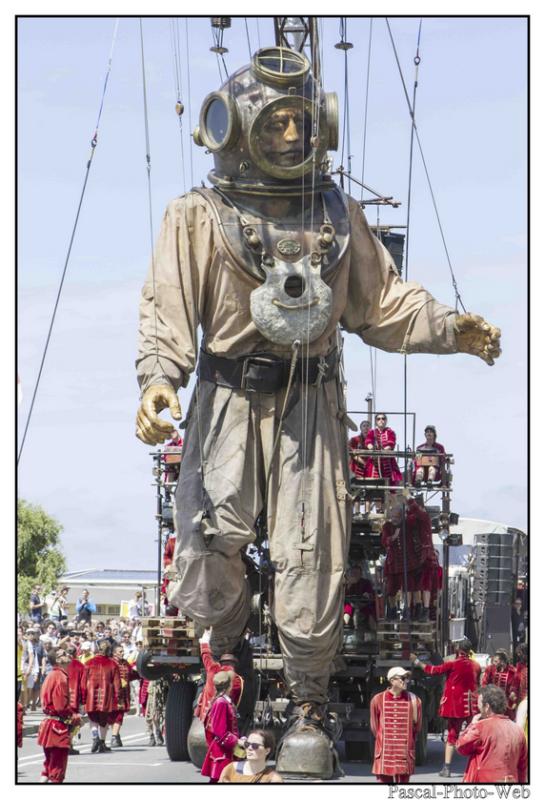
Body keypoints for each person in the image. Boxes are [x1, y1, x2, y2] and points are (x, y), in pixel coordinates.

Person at [134, 45, 500, 775]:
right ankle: (225, 657)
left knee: (313, 554)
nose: (292, 136)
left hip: (311, 399)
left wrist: (449, 328)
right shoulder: (196, 216)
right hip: (226, 396)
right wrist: (157, 380)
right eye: (276, 123)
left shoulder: (338, 216)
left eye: (302, 122)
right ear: (237, 127)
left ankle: (308, 704)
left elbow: (382, 303)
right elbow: (166, 310)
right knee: (208, 537)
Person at [411, 637, 481, 778]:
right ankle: (477, 767)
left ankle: (447, 768)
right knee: (475, 735)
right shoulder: (476, 666)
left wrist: (416, 661)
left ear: (458, 649)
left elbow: (432, 670)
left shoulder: (452, 664)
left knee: (452, 736)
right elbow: (477, 684)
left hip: (455, 707)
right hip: (471, 706)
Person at [456, 685, 527, 783]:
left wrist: (472, 725)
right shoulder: (518, 730)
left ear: (487, 707)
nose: (478, 708)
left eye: (479, 704)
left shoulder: (480, 727)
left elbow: (461, 746)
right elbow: (522, 767)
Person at [370, 666, 422, 784]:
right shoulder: (377, 699)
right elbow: (375, 727)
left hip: (404, 753)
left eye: (407, 678)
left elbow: (417, 727)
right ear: (392, 680)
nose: (405, 681)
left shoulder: (415, 700)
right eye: (402, 678)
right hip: (384, 753)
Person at [37, 648, 80, 784]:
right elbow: (61, 706)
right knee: (57, 768)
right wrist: (74, 716)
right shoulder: (60, 677)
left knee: (48, 766)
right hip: (57, 727)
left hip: (49, 724)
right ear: (58, 660)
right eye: (64, 654)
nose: (68, 655)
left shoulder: (51, 674)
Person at [381, 499, 427, 620]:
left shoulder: (408, 524)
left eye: (396, 516)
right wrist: (393, 537)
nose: (394, 519)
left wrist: (411, 505)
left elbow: (417, 520)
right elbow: (385, 541)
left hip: (408, 561)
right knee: (391, 588)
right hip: (393, 562)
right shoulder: (387, 526)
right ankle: (392, 610)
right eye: (392, 516)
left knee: (410, 587)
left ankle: (409, 609)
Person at [201, 671, 244, 784]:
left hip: (226, 750)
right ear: (229, 685)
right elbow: (220, 733)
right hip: (222, 753)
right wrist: (237, 741)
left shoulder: (225, 701)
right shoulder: (221, 703)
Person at [195, 628, 243, 722]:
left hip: (206, 716)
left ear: (221, 663)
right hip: (222, 717)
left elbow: (206, 655)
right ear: (234, 664)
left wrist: (205, 640)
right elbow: (237, 700)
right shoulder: (237, 680)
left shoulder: (213, 669)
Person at [84, 640, 121, 753]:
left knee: (93, 717)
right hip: (106, 695)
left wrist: (82, 696)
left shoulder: (89, 663)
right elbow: (117, 683)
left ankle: (95, 737)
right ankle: (102, 742)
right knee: (104, 720)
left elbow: (83, 681)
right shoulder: (113, 664)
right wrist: (118, 697)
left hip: (91, 694)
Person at [110, 644, 139, 747]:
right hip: (113, 693)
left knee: (119, 715)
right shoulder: (111, 663)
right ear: (114, 653)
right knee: (113, 716)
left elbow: (131, 674)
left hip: (123, 693)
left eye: (123, 651)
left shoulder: (125, 663)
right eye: (120, 651)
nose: (122, 653)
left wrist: (141, 674)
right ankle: (115, 736)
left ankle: (115, 736)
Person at [364, 414, 403, 485]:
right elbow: (368, 442)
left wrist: (383, 451)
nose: (381, 420)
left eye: (383, 418)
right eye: (378, 419)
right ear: (376, 422)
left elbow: (391, 444)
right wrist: (372, 449)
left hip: (388, 461)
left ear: (386, 421)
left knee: (390, 485)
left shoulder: (390, 432)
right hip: (374, 461)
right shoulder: (372, 432)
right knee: (371, 484)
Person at [481, 650, 519, 721]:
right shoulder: (490, 669)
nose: (493, 663)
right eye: (493, 661)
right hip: (492, 702)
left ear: (502, 662)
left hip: (506, 704)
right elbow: (484, 683)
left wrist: (513, 693)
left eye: (496, 661)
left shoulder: (513, 671)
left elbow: (515, 686)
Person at [65, 644, 87, 755]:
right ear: (76, 653)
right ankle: (69, 745)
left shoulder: (62, 665)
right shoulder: (81, 666)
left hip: (63, 696)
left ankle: (67, 744)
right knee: (74, 722)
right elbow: (83, 686)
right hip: (75, 698)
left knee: (65, 720)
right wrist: (83, 700)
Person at [343, 564, 376, 629]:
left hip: (363, 605)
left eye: (357, 573)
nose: (355, 575)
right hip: (350, 604)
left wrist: (367, 594)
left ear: (361, 574)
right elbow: (345, 595)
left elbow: (370, 593)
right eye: (353, 573)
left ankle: (369, 628)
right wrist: (349, 584)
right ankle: (346, 624)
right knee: (347, 609)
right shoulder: (348, 583)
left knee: (369, 610)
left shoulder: (366, 582)